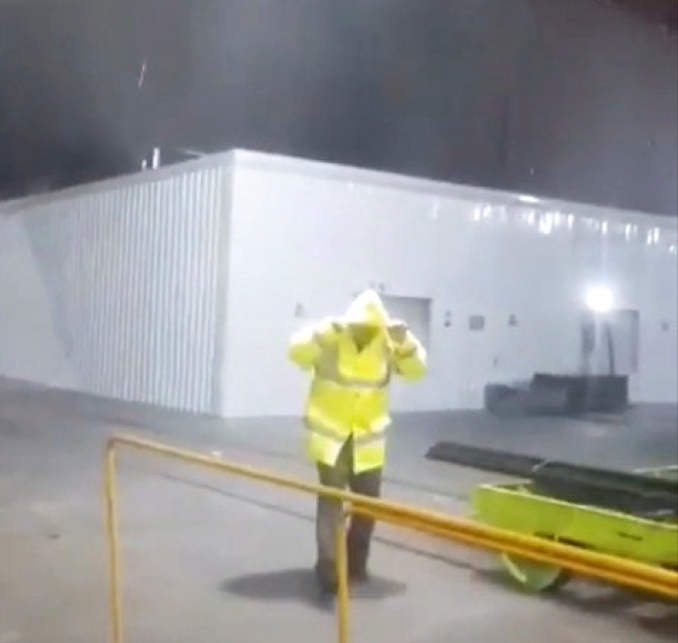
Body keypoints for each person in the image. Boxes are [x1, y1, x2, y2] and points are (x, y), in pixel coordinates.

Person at [288, 289, 427, 596]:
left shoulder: (389, 343)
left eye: (369, 328)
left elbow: (417, 370)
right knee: (331, 502)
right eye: (359, 327)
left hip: (368, 441)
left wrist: (405, 342)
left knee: (367, 507)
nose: (363, 332)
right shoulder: (331, 338)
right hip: (331, 437)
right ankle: (328, 567)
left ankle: (355, 564)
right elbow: (295, 353)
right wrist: (323, 332)